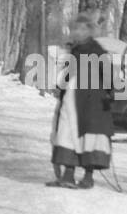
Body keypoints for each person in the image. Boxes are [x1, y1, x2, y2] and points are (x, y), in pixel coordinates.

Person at [47, 14, 114, 189]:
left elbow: (107, 75)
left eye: (83, 29)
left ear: (89, 31)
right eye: (76, 29)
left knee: (89, 135)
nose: (78, 32)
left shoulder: (98, 50)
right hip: (72, 96)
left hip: (92, 100)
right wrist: (61, 87)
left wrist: (109, 93)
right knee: (67, 131)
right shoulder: (75, 50)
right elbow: (69, 72)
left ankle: (88, 177)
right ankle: (68, 175)